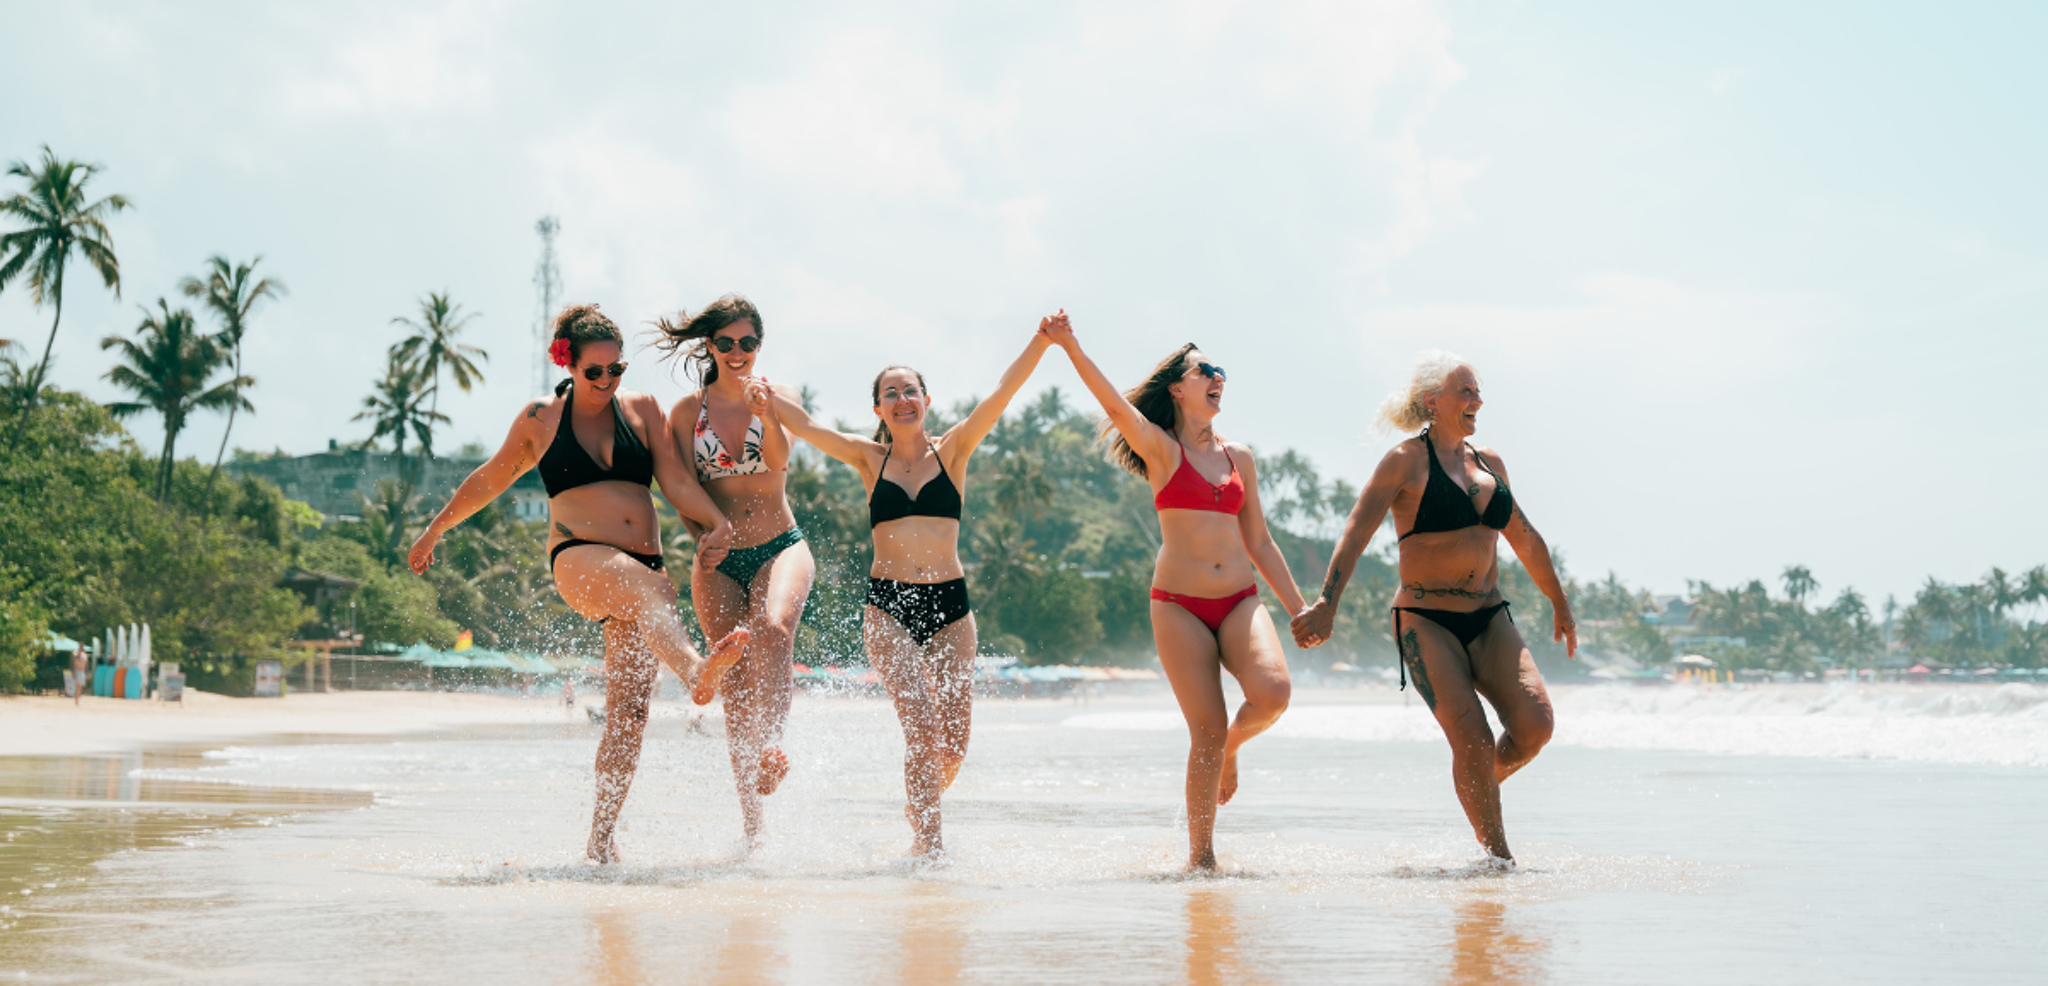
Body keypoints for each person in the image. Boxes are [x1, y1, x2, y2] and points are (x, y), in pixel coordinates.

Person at [408, 303, 748, 864]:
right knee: (654, 592)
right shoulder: (542, 419)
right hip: (581, 561)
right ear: (568, 365)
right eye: (595, 372)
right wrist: (433, 531)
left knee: (629, 716)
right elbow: (490, 478)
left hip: (643, 571)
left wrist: (715, 522)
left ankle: (599, 844)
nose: (608, 381)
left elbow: (677, 481)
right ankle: (695, 672)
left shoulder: (640, 410)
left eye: (617, 370)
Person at [752, 321, 1055, 858]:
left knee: (953, 746)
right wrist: (760, 389)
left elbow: (1003, 394)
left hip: (952, 607)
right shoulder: (870, 459)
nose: (901, 399)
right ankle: (930, 851)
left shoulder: (954, 450)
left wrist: (1042, 340)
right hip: (889, 606)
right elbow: (805, 424)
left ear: (926, 400)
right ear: (878, 410)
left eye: (909, 390)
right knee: (920, 729)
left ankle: (920, 808)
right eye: (889, 393)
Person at [1043, 312, 1306, 870]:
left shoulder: (1241, 458)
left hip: (1239, 599)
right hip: (1178, 608)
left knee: (1274, 693)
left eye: (1220, 371)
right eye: (1204, 370)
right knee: (1206, 729)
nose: (1217, 378)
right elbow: (1116, 407)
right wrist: (1069, 346)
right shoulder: (1163, 450)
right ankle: (1202, 860)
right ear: (1178, 390)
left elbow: (1259, 539)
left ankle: (1234, 749)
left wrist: (1299, 608)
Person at [1290, 351, 1575, 864]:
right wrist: (1327, 602)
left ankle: (1476, 782)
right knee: (1471, 738)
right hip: (1426, 621)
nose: (1476, 400)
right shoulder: (1405, 461)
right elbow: (1356, 533)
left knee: (1537, 725)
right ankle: (1499, 864)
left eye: (1477, 391)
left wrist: (1560, 601)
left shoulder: (1490, 464)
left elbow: (1526, 539)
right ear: (1433, 402)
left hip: (1488, 617)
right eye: (1464, 391)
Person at [654, 295, 813, 847]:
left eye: (748, 342)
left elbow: (779, 459)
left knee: (773, 629)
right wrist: (702, 537)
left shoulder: (779, 394)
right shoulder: (683, 414)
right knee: (736, 681)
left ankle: (773, 744)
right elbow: (680, 492)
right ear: (710, 347)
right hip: (717, 560)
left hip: (779, 544)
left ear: (758, 346)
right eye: (727, 343)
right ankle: (754, 829)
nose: (738, 352)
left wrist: (765, 411)